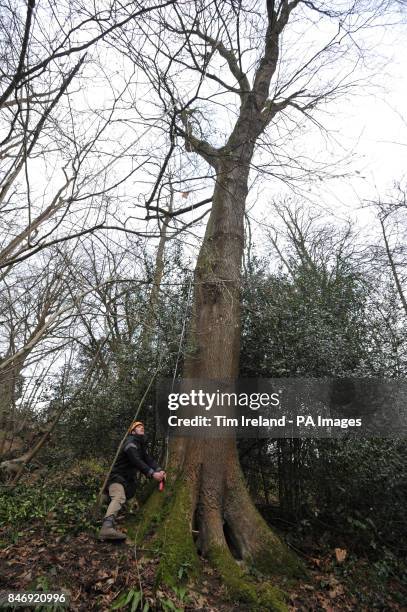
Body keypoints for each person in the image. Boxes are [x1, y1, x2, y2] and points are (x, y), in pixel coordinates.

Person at [99, 420, 166, 541]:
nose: (142, 428)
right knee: (119, 496)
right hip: (117, 478)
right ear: (133, 431)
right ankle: (106, 527)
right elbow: (136, 460)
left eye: (143, 426)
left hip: (127, 482)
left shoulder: (140, 445)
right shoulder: (130, 443)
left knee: (129, 500)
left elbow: (148, 459)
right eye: (139, 427)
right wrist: (151, 473)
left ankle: (106, 505)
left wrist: (159, 469)